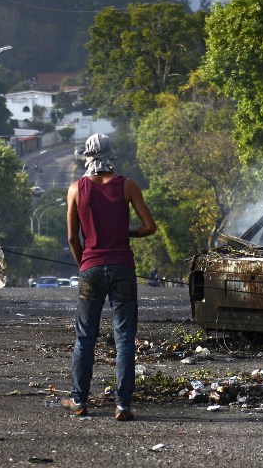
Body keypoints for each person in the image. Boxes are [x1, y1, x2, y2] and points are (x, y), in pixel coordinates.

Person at [61, 133, 157, 421]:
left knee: (85, 337)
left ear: (86, 156)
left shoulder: (76, 190)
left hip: (91, 267)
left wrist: (85, 265)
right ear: (111, 155)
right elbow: (149, 227)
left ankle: (79, 401)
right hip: (122, 269)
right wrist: (127, 233)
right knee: (125, 337)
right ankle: (123, 405)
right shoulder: (127, 186)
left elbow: (72, 238)